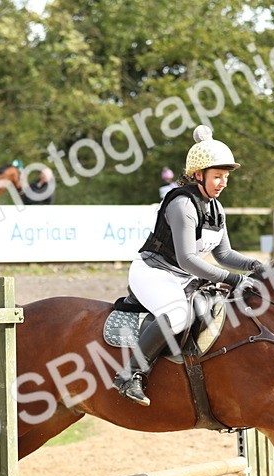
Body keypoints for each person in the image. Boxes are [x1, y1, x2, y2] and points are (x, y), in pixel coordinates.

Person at [114, 126, 261, 407]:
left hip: (181, 277)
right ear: (198, 175)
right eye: (217, 176)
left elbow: (224, 254)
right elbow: (187, 259)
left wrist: (256, 265)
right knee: (178, 314)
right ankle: (130, 375)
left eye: (226, 177)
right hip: (153, 272)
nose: (223, 183)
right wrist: (233, 279)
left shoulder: (216, 208)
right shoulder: (182, 204)